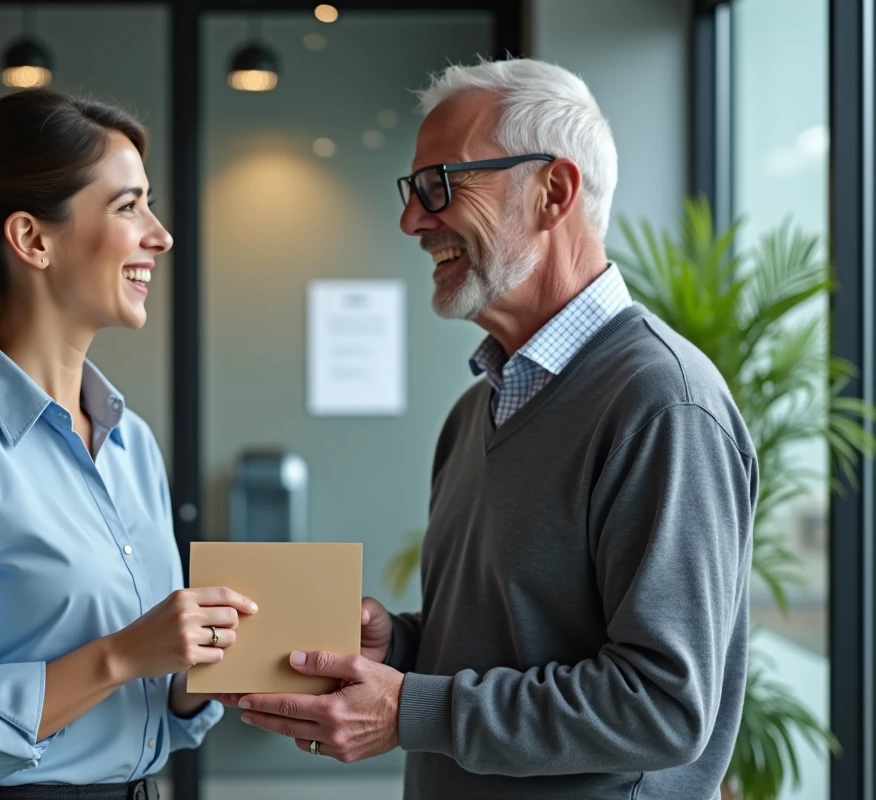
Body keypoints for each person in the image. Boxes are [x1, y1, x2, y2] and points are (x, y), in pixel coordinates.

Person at [223, 58, 755, 800]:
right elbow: (517, 641)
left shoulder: (663, 402)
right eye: (413, 192)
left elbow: (662, 706)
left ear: (554, 192)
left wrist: (411, 708)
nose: (412, 220)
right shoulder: (476, 411)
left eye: (441, 184)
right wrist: (401, 648)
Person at [0, 88, 256, 800]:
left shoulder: (132, 444)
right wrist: (122, 655)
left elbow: (153, 711)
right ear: (33, 239)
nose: (160, 235)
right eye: (128, 206)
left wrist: (205, 674)